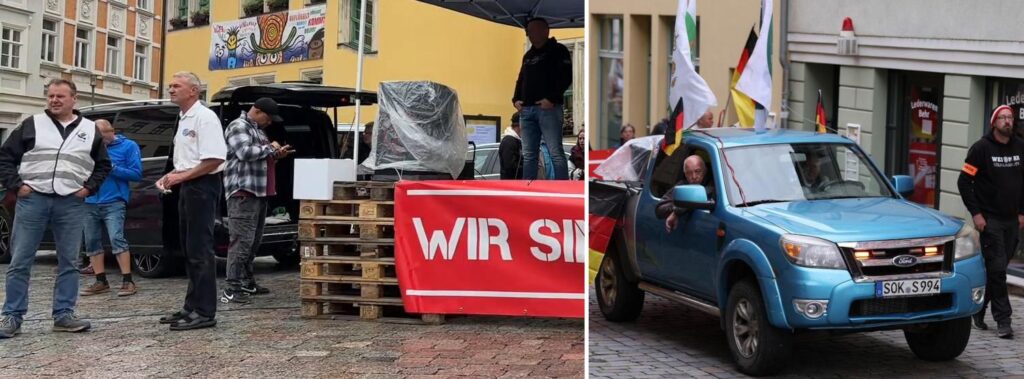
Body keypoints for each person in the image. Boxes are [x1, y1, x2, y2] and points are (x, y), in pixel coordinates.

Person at [0, 79, 111, 338]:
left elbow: (104, 165)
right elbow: (5, 156)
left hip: (70, 202)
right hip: (33, 199)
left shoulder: (90, 130)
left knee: (69, 261)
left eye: (60, 96)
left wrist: (88, 188)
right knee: (20, 260)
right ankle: (12, 316)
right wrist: (17, 185)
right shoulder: (32, 124)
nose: (54, 100)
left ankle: (64, 314)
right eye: (50, 96)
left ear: (74, 99)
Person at [156, 72, 227, 331]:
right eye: (170, 85)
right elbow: (188, 159)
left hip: (203, 186)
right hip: (188, 185)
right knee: (189, 248)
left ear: (194, 91)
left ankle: (205, 311)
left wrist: (182, 176)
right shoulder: (184, 116)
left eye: (177, 86)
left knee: (200, 249)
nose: (171, 89)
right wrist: (171, 176)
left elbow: (214, 159)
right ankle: (191, 306)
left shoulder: (205, 118)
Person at [957, 104, 1024, 339]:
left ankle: (978, 309)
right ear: (993, 122)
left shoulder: (1020, 147)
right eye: (1002, 117)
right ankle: (1003, 320)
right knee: (997, 270)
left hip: (1012, 220)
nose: (1007, 121)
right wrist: (976, 214)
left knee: (997, 270)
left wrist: (1022, 212)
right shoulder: (980, 149)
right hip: (990, 220)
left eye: (1010, 117)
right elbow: (964, 182)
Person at [221, 98, 293, 304]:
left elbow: (260, 157)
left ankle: (246, 281)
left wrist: (276, 155)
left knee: (253, 241)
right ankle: (232, 287)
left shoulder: (257, 130)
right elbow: (244, 153)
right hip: (243, 192)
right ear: (258, 112)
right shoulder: (238, 126)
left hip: (260, 192)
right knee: (241, 241)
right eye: (268, 119)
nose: (269, 123)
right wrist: (271, 148)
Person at [79, 119, 143, 297]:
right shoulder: (90, 148)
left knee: (117, 238)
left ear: (110, 132)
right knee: (91, 241)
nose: (96, 140)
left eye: (99, 136)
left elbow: (136, 174)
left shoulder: (128, 146)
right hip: (90, 200)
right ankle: (100, 280)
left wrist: (111, 167)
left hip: (114, 201)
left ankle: (127, 280)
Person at [512, 17, 572, 180]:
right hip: (527, 109)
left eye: (532, 30)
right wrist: (516, 99)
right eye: (528, 31)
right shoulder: (528, 55)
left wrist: (551, 99)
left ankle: (563, 189)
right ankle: (530, 188)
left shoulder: (558, 51)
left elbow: (566, 77)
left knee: (555, 152)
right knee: (529, 154)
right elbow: (521, 79)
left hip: (548, 108)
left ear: (545, 31)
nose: (530, 34)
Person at [655, 155, 715, 232]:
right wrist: (677, 208)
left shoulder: (715, 182)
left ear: (705, 170)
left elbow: (709, 192)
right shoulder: (683, 184)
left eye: (697, 171)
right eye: (689, 173)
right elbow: (660, 209)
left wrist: (676, 213)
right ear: (685, 175)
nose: (694, 176)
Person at [498, 112, 524, 179]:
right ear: (520, 125)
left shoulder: (516, 140)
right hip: (512, 184)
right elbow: (510, 166)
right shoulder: (509, 141)